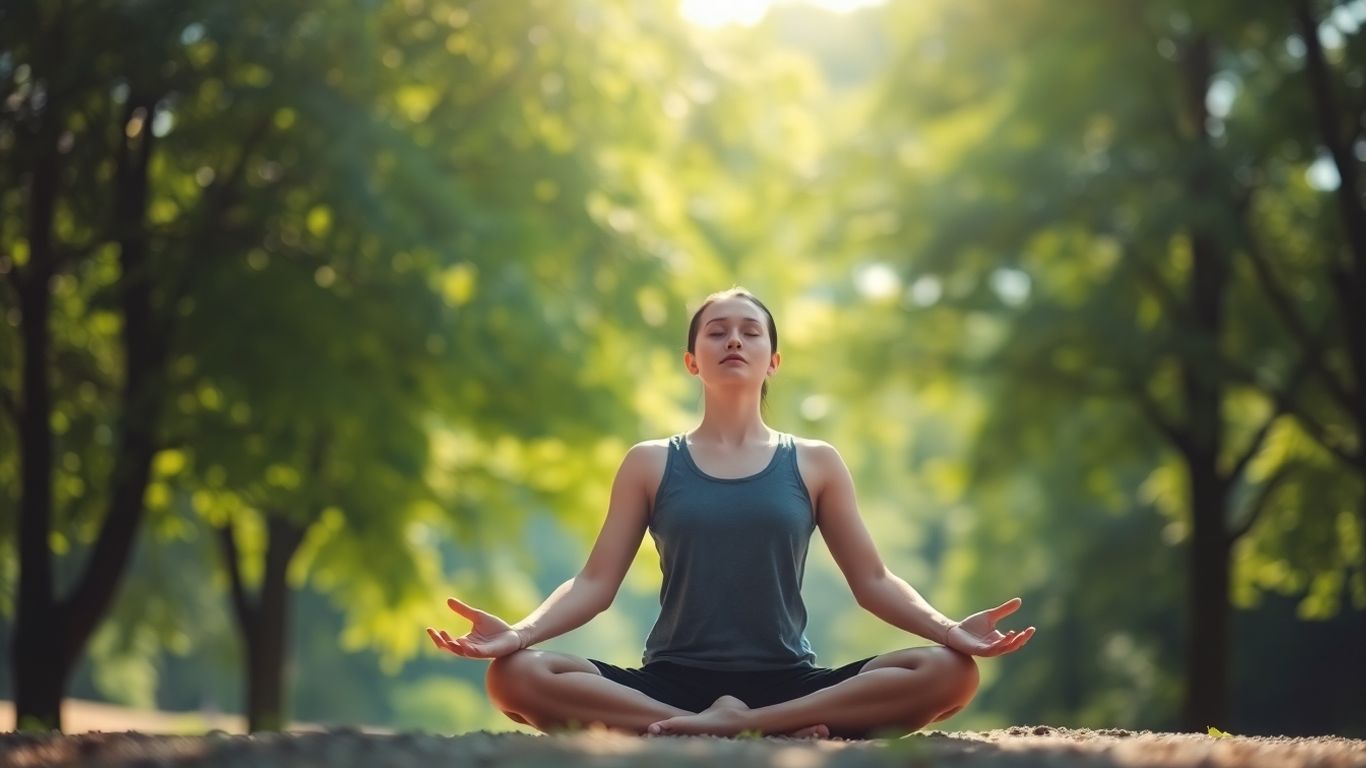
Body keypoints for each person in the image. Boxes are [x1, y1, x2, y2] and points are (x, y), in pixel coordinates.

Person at [426, 288, 1035, 738]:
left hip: (788, 680)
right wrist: (519, 633)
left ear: (773, 359)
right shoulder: (649, 463)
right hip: (669, 679)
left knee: (952, 674)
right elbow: (594, 584)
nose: (734, 341)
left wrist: (950, 630)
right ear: (693, 360)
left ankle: (745, 723)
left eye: (750, 332)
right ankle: (715, 724)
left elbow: (873, 582)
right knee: (512, 676)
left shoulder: (817, 462)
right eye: (716, 332)